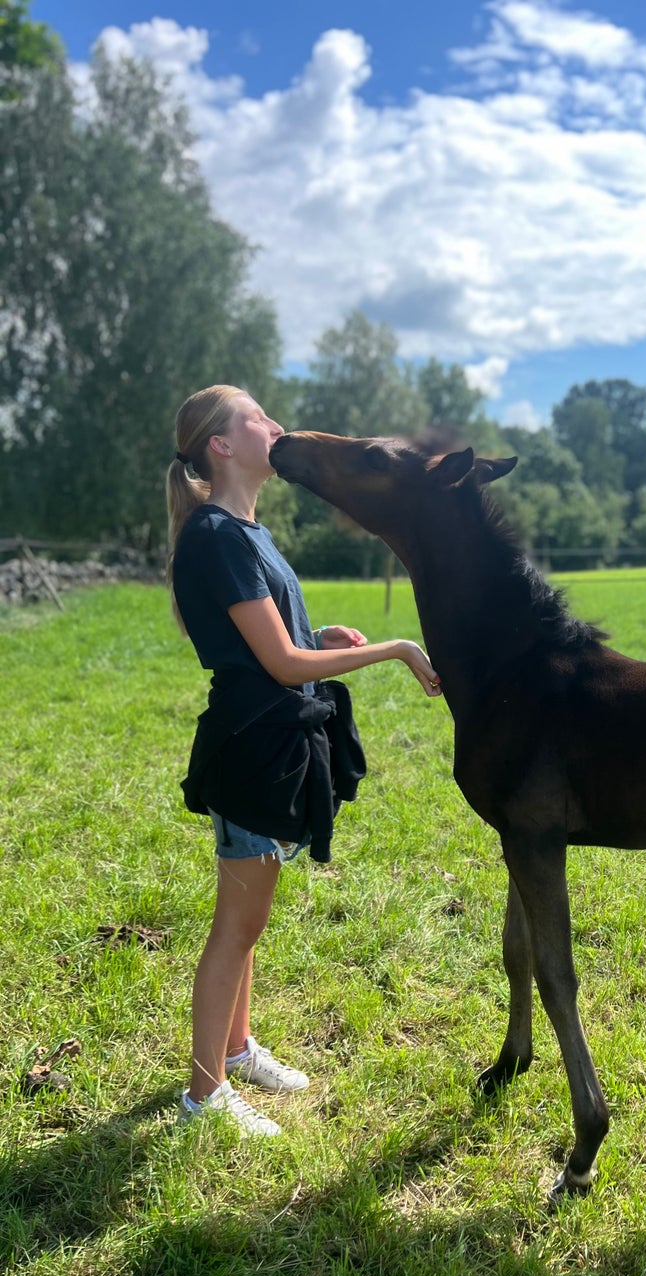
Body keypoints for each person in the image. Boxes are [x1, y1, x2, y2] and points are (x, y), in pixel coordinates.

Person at [166, 384, 442, 1136]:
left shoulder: (242, 531)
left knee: (248, 922)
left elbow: (279, 650)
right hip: (253, 744)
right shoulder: (219, 536)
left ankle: (236, 1048)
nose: (274, 424)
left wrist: (320, 642)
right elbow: (279, 668)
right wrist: (396, 649)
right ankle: (203, 1095)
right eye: (256, 416)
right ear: (221, 445)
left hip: (271, 739)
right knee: (236, 926)